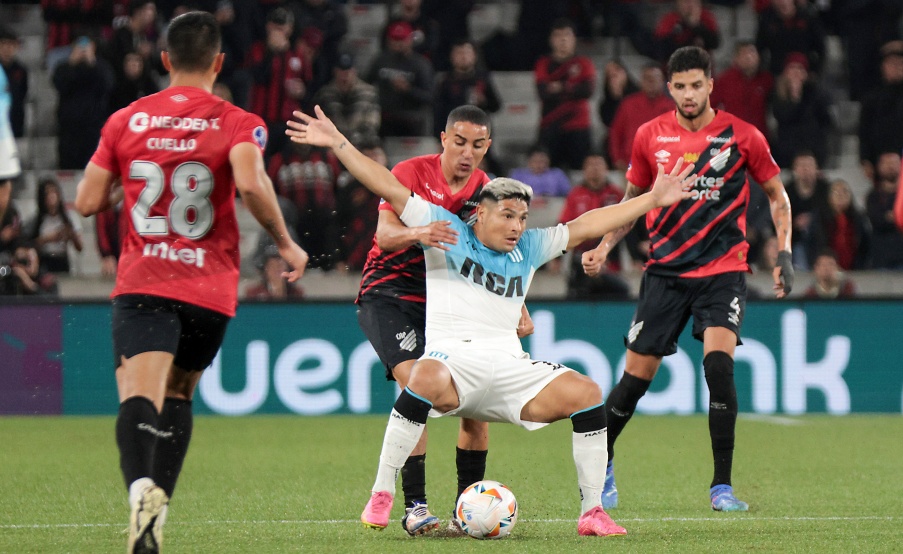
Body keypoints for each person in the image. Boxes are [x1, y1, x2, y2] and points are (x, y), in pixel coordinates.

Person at [286, 104, 696, 537]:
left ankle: (592, 511)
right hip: (448, 357)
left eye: (522, 217)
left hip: (509, 369)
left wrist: (651, 199)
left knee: (589, 393)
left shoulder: (529, 246)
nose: (518, 225)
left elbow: (586, 224)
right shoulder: (445, 230)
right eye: (507, 216)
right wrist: (339, 143)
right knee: (418, 379)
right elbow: (384, 184)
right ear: (478, 215)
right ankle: (386, 493)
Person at [73, 12, 308, 554]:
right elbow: (250, 182)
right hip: (210, 290)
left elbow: (85, 202)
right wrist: (285, 240)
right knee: (180, 394)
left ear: (164, 61)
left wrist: (127, 184)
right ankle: (157, 518)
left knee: (138, 396)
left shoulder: (125, 121)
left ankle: (140, 491)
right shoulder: (238, 120)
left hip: (145, 280)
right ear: (219, 62)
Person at [582, 46, 794, 513]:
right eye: (679, 86)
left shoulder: (743, 136)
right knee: (636, 379)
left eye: (696, 85)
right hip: (665, 273)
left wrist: (784, 251)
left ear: (711, 84)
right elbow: (632, 203)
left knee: (719, 366)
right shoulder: (649, 136)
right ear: (670, 87)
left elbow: (777, 197)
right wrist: (603, 245)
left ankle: (722, 486)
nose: (688, 94)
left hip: (723, 270)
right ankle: (604, 459)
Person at [349, 104, 530, 536]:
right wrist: (418, 233)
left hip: (447, 299)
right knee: (416, 384)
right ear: (444, 139)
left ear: (487, 147)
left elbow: (498, 254)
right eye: (460, 142)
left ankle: (466, 512)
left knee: (476, 406)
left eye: (478, 145)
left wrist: (518, 303)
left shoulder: (486, 190)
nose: (468, 152)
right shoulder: (411, 171)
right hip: (389, 293)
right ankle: (414, 507)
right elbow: (385, 236)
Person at [557, 155, 631, 300]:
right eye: (591, 165)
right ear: (584, 170)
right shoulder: (575, 195)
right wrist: (556, 259)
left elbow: (627, 225)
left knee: (621, 292)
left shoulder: (616, 194)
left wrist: (635, 256)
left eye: (599, 164)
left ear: (606, 169)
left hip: (610, 260)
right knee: (576, 295)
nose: (595, 168)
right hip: (581, 262)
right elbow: (564, 225)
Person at [534, 18, 596, 171]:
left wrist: (560, 87)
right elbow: (543, 93)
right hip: (550, 126)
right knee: (549, 172)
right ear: (551, 40)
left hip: (578, 127)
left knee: (580, 171)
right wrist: (573, 88)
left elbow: (587, 91)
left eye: (567, 35)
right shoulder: (543, 63)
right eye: (558, 35)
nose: (563, 39)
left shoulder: (584, 63)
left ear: (574, 39)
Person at [26, 176, 84, 274]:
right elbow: (30, 245)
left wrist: (71, 235)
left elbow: (80, 247)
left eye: (53, 192)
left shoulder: (69, 217)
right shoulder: (37, 220)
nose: (51, 197)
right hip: (45, 260)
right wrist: (47, 239)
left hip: (62, 258)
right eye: (47, 194)